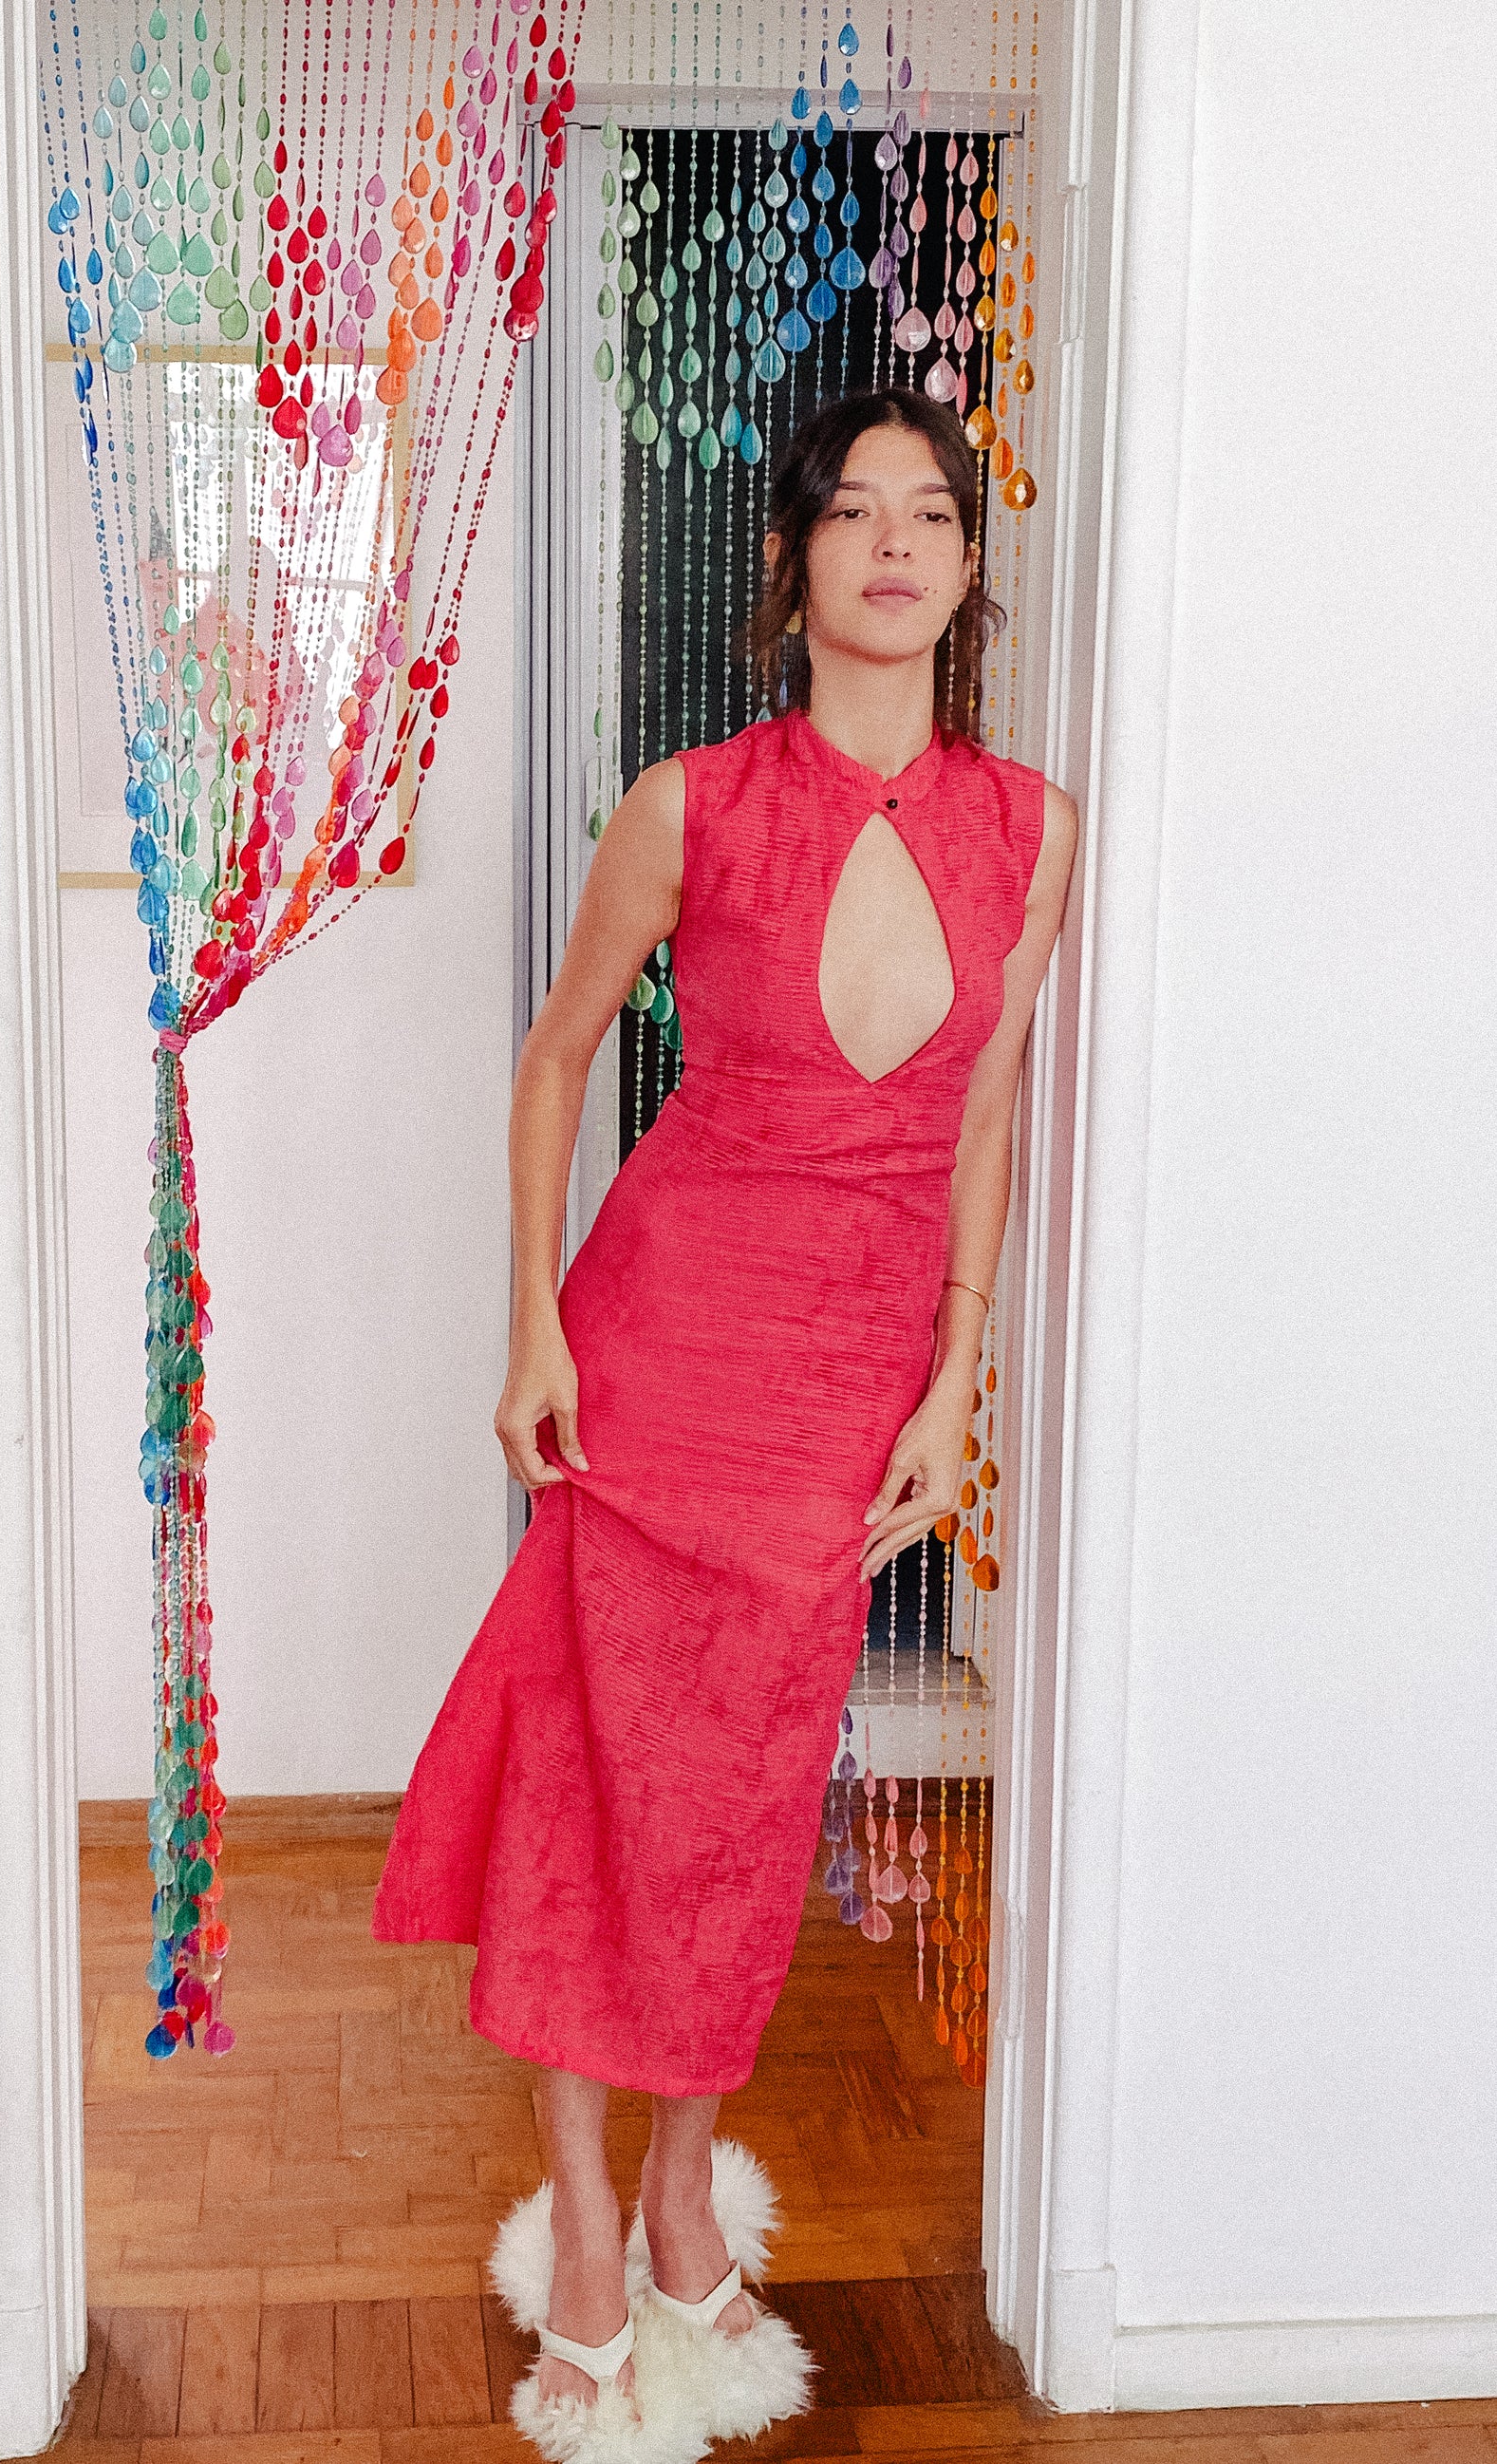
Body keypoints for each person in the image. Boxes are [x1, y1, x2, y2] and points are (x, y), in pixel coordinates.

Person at [371, 386, 1079, 2454]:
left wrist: (956, 1376)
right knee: (600, 1785)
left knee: (748, 1808)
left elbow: (984, 1116)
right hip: (657, 1349)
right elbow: (557, 1053)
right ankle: (592, 2219)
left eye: (928, 512)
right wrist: (532, 1329)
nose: (892, 541)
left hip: (845, 1393)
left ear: (968, 565)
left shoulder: (1031, 829)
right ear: (791, 563)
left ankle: (689, 2179)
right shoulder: (687, 803)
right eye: (851, 511)